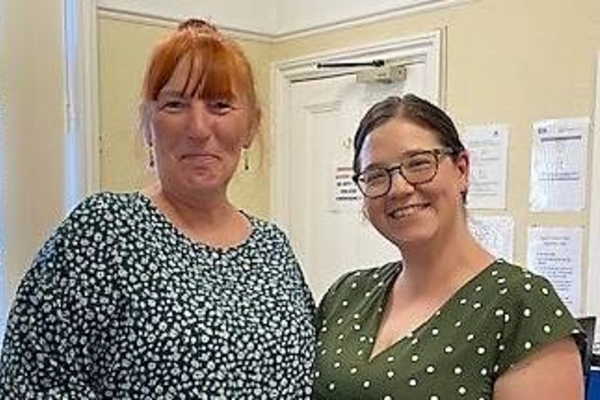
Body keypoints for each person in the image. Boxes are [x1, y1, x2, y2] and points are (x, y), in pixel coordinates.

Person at [0, 18, 315, 398]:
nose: (198, 128)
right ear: (149, 125)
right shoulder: (103, 232)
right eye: (175, 104)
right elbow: (31, 383)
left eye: (220, 105)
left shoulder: (273, 248)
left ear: (250, 125)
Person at [312, 94, 585, 399]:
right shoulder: (347, 295)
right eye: (376, 176)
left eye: (418, 164)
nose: (399, 188)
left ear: (462, 170)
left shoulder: (522, 306)